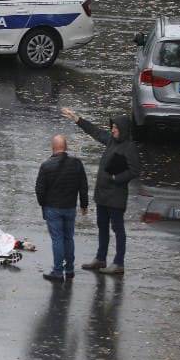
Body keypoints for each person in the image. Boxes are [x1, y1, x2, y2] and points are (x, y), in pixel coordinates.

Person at [61, 108, 141, 275]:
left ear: (123, 130)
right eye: (112, 127)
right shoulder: (111, 140)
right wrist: (78, 119)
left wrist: (115, 178)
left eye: (116, 128)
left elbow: (134, 171)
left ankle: (118, 263)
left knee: (118, 229)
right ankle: (100, 258)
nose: (112, 130)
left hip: (116, 197)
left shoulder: (129, 147)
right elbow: (96, 132)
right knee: (102, 226)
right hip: (102, 195)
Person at [35, 134, 88, 281]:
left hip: (52, 207)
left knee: (57, 239)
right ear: (66, 147)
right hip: (70, 207)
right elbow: (83, 186)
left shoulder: (46, 165)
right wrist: (84, 204)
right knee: (68, 238)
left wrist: (43, 204)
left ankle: (58, 271)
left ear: (53, 148)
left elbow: (39, 189)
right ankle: (69, 269)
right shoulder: (77, 164)